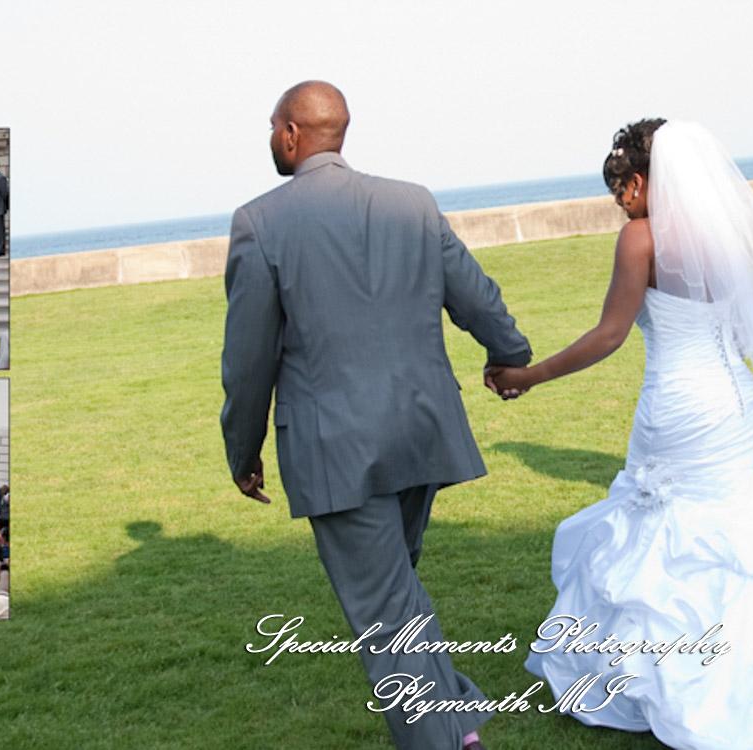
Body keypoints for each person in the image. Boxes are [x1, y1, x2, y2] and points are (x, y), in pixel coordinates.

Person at [218, 82, 530, 750]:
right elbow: (473, 293)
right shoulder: (411, 202)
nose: (271, 138)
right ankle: (461, 725)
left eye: (272, 127)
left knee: (386, 613)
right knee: (398, 595)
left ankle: (444, 741)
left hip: (337, 451)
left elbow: (247, 360)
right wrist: (510, 352)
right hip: (421, 432)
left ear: (294, 134)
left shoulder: (259, 222)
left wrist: (241, 450)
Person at [489, 120, 753, 750]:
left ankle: (665, 676)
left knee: (665, 529)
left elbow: (608, 335)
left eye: (623, 187)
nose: (620, 201)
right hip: (735, 407)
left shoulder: (640, 239)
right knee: (729, 520)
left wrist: (529, 377)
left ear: (645, 180)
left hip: (679, 404)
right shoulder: (723, 235)